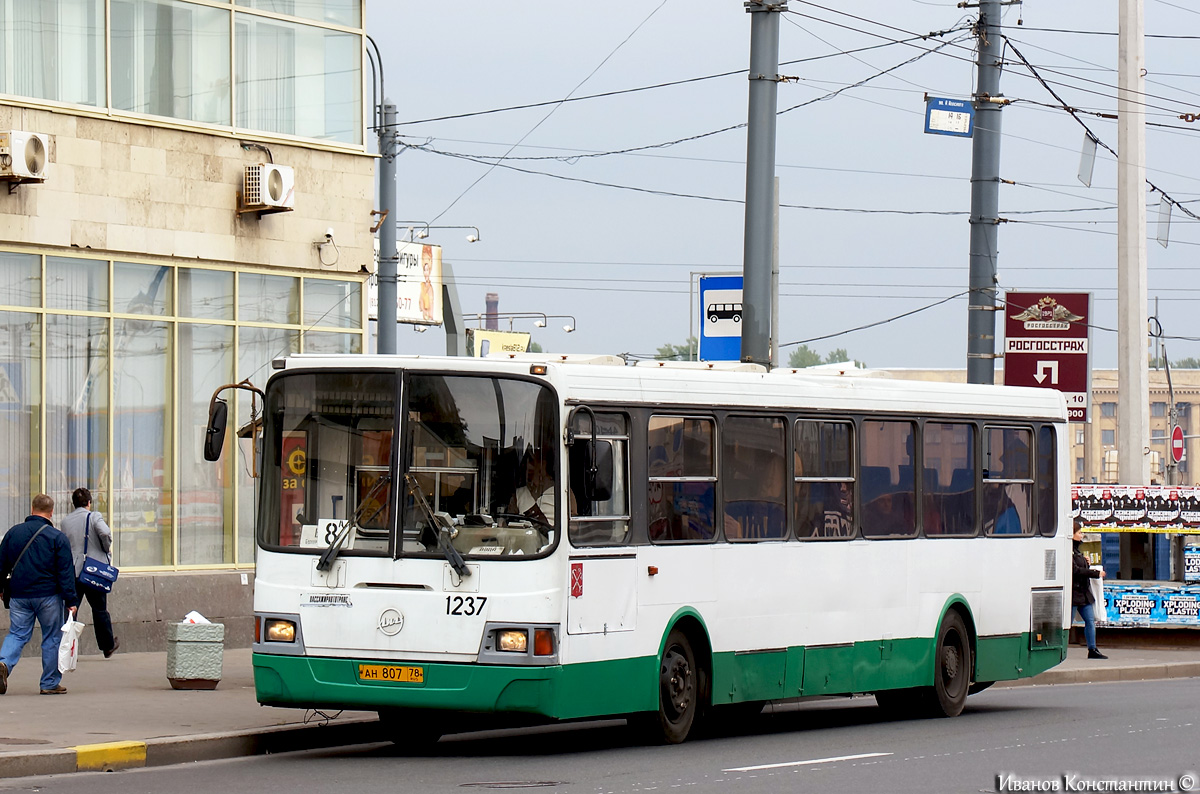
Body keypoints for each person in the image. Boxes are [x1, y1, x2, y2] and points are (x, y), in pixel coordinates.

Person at [0, 494, 78, 695]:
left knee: (17, 633)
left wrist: (1, 588)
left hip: (19, 595)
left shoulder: (13, 533)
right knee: (52, 637)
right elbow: (65, 572)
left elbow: (1, 565)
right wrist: (71, 600)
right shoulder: (57, 537)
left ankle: (4, 664)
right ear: (51, 512)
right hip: (49, 596)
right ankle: (49, 683)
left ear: (32, 508)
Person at [59, 487, 119, 659]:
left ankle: (65, 646)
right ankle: (107, 646)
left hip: (73, 572)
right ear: (89, 502)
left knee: (71, 611)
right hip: (93, 571)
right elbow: (105, 532)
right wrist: (105, 548)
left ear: (73, 503)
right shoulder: (94, 516)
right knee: (99, 610)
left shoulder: (66, 521)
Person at [1072, 525, 1108, 660]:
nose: (1081, 535)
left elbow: (1080, 568)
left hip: (1083, 593)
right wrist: (1096, 573)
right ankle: (1059, 647)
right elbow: (1075, 571)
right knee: (1067, 623)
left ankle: (1092, 649)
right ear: (1072, 534)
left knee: (1090, 620)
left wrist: (1086, 563)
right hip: (1074, 594)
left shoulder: (1077, 551)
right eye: (1079, 533)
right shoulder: (1068, 550)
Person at [509, 449, 555, 524]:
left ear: (544, 464)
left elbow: (573, 527)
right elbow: (509, 524)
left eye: (532, 461)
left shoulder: (563, 491)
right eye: (527, 462)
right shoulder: (518, 495)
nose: (529, 466)